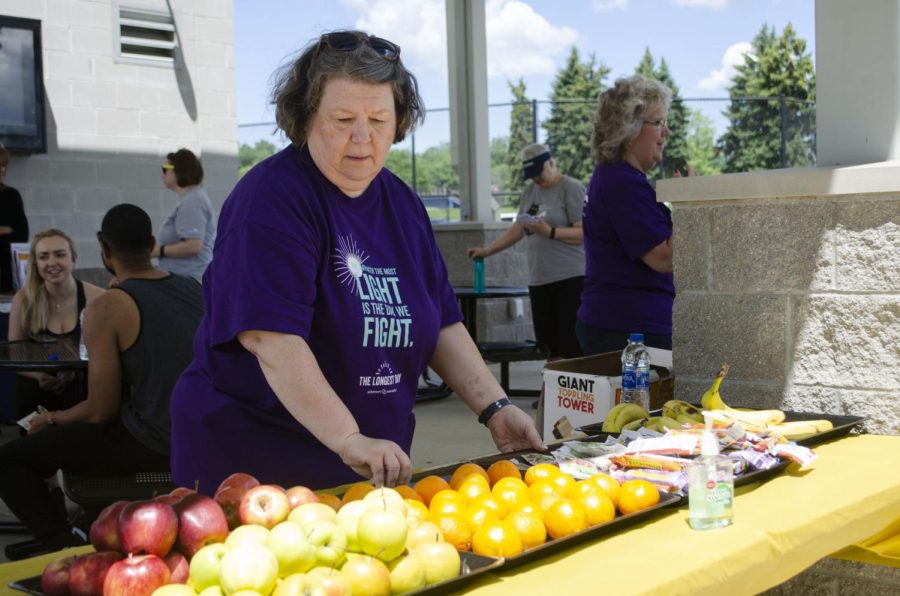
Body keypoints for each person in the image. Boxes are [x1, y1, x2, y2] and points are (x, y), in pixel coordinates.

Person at [170, 30, 544, 495]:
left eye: (380, 120)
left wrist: (495, 407)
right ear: (306, 118)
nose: (363, 138)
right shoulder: (270, 200)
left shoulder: (402, 203)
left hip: (364, 461)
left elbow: (441, 322)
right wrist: (348, 438)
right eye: (343, 118)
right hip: (255, 465)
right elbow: (271, 338)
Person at [0, 204, 204, 553]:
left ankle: (64, 549)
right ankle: (82, 528)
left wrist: (52, 418)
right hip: (201, 434)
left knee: (9, 461)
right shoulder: (193, 288)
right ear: (152, 243)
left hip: (154, 441)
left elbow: (101, 410)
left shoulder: (106, 306)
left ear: (104, 250)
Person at [577, 74, 691, 354]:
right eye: (659, 122)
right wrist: (689, 204)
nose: (667, 132)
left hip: (625, 324)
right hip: (630, 331)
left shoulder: (618, 179)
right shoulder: (621, 182)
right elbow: (664, 258)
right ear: (629, 128)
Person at [467, 144, 585, 359]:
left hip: (570, 278)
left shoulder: (571, 188)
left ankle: (572, 390)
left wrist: (550, 232)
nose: (536, 179)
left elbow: (584, 232)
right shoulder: (530, 192)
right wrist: (487, 250)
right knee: (547, 345)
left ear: (551, 163)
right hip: (540, 279)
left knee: (570, 346)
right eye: (531, 175)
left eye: (539, 172)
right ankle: (549, 390)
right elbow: (518, 229)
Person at [8, 230, 104, 418]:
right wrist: (39, 375)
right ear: (36, 264)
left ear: (73, 258)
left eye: (60, 254)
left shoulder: (98, 298)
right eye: (44, 257)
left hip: (83, 398)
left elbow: (108, 355)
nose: (52, 263)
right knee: (35, 445)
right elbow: (14, 356)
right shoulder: (23, 300)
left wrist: (76, 372)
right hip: (36, 398)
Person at [153, 148, 216, 281]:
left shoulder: (193, 202)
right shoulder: (190, 199)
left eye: (165, 168)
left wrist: (159, 250)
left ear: (179, 169)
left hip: (190, 283)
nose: (162, 175)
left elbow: (193, 246)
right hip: (185, 281)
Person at [0, 145, 30, 291]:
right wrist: (5, 231)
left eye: (4, 165)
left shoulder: (12, 195)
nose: (2, 170)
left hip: (8, 276)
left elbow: (22, 236)